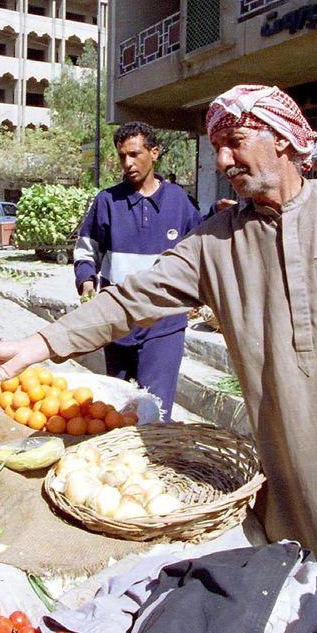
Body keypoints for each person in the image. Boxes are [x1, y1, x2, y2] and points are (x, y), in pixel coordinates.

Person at [0, 84, 317, 564]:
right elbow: (130, 299)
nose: (222, 162)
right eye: (217, 148)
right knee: (316, 578)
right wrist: (40, 343)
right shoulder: (215, 243)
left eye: (235, 142)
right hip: (292, 450)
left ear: (281, 138)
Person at [74, 122, 201, 420]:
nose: (127, 163)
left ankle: (153, 463)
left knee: (154, 409)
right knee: (118, 408)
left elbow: (199, 249)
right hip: (118, 320)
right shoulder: (107, 201)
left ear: (153, 153)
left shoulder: (178, 201)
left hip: (164, 322)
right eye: (122, 156)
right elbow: (86, 247)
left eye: (134, 154)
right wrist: (86, 281)